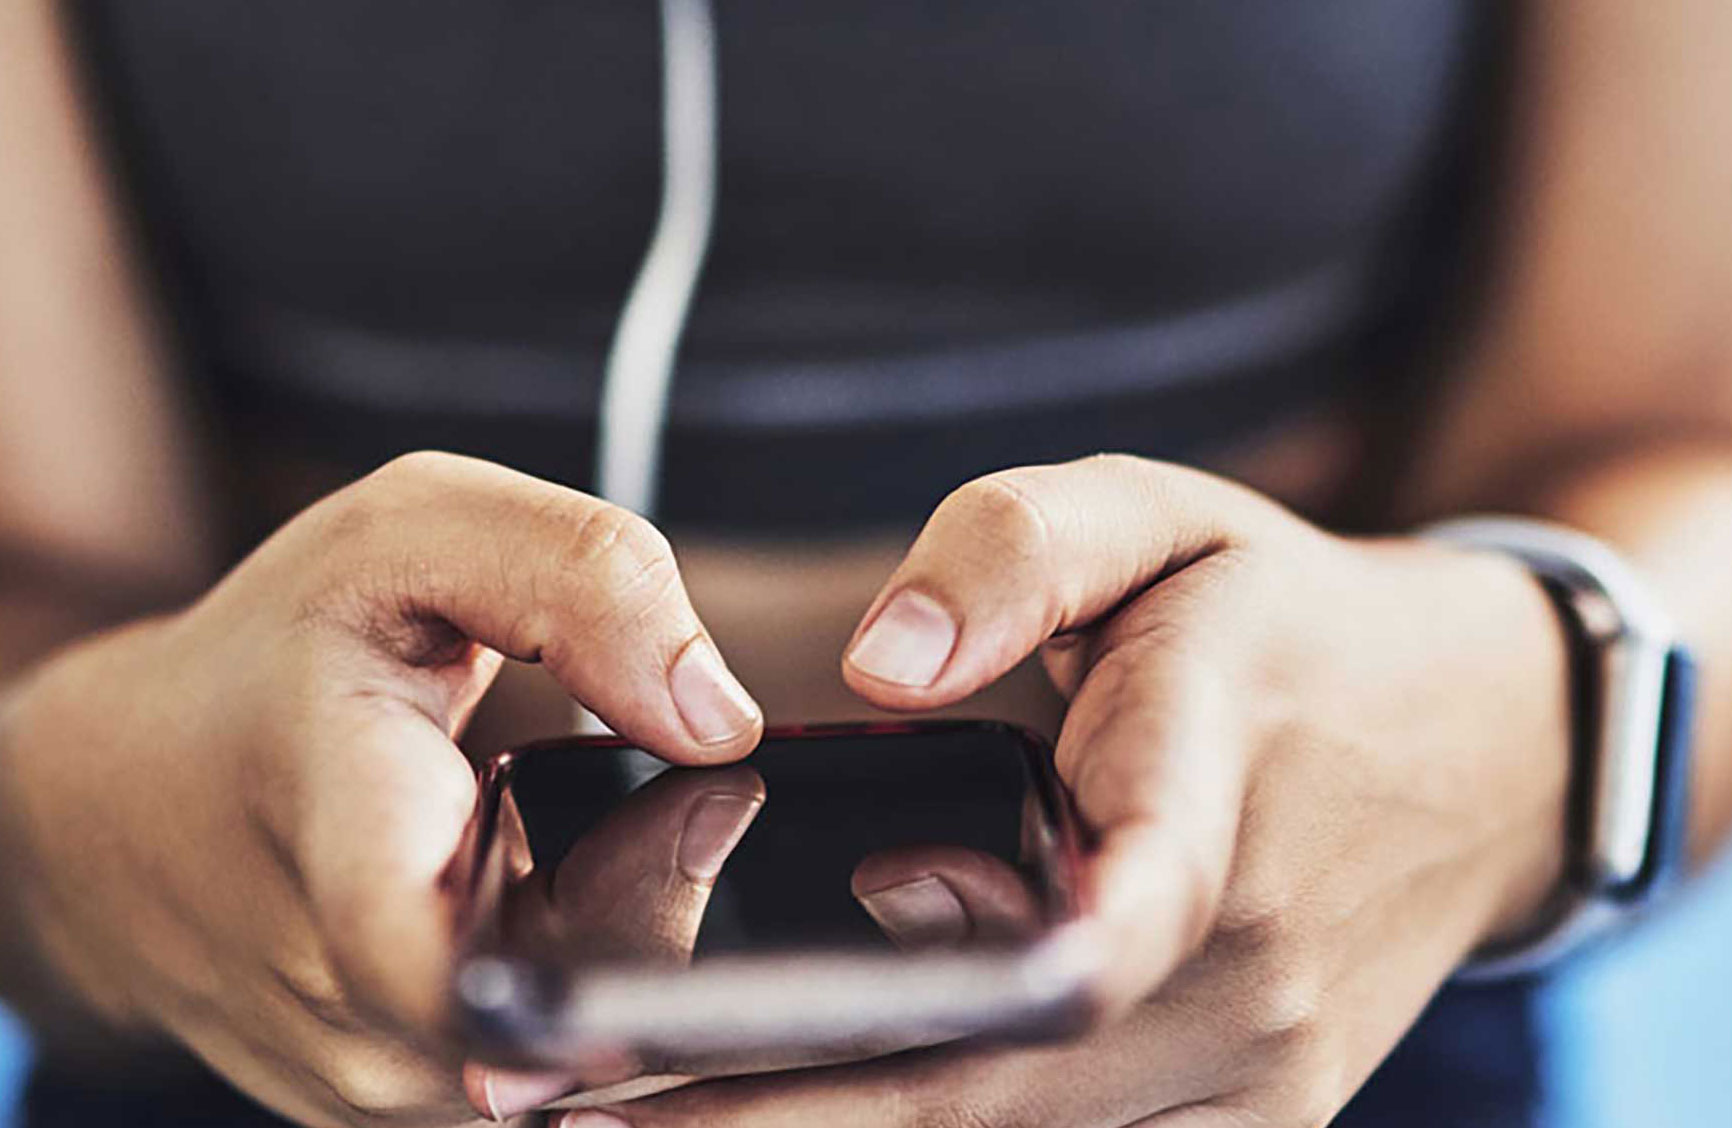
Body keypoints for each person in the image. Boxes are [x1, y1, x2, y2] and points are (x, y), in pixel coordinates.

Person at [1, 0, 1729, 1125]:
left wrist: (1513, 727)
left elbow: (1685, 444)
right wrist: (81, 822)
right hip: (255, 1040)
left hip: (1314, 1025)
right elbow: (36, 584)